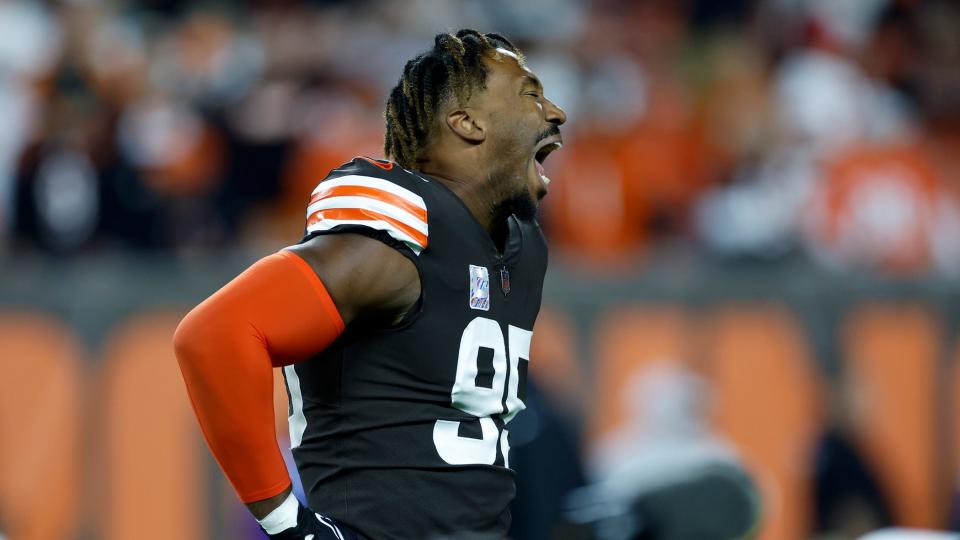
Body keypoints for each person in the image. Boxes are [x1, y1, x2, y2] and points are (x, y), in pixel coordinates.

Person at [173, 29, 566, 540]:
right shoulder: (401, 233)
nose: (554, 112)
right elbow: (214, 334)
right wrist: (285, 522)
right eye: (529, 95)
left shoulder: (521, 245)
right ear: (467, 122)